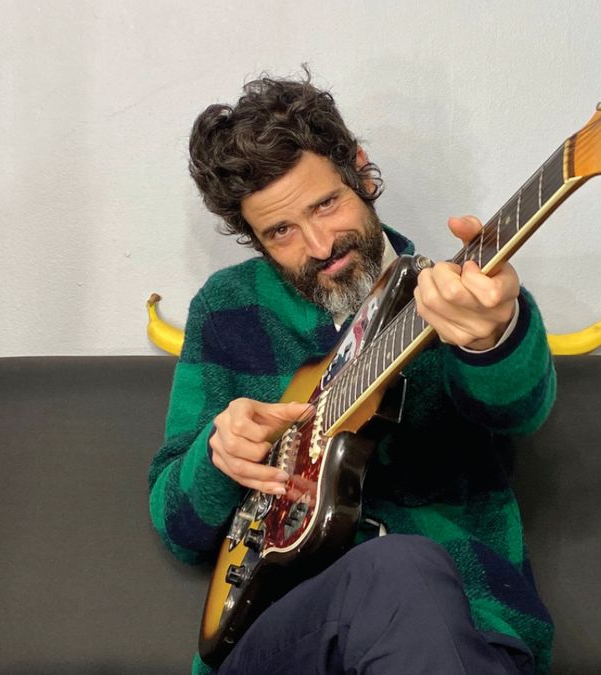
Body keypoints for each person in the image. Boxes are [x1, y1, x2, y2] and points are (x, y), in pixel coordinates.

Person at [148, 72, 557, 675]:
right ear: (253, 238)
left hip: (465, 631)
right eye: (281, 231)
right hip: (281, 639)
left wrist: (494, 335)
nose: (318, 244)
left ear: (360, 172)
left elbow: (521, 408)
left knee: (406, 572)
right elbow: (175, 525)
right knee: (398, 572)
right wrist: (217, 456)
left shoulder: (452, 296)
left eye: (325, 204)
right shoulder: (227, 309)